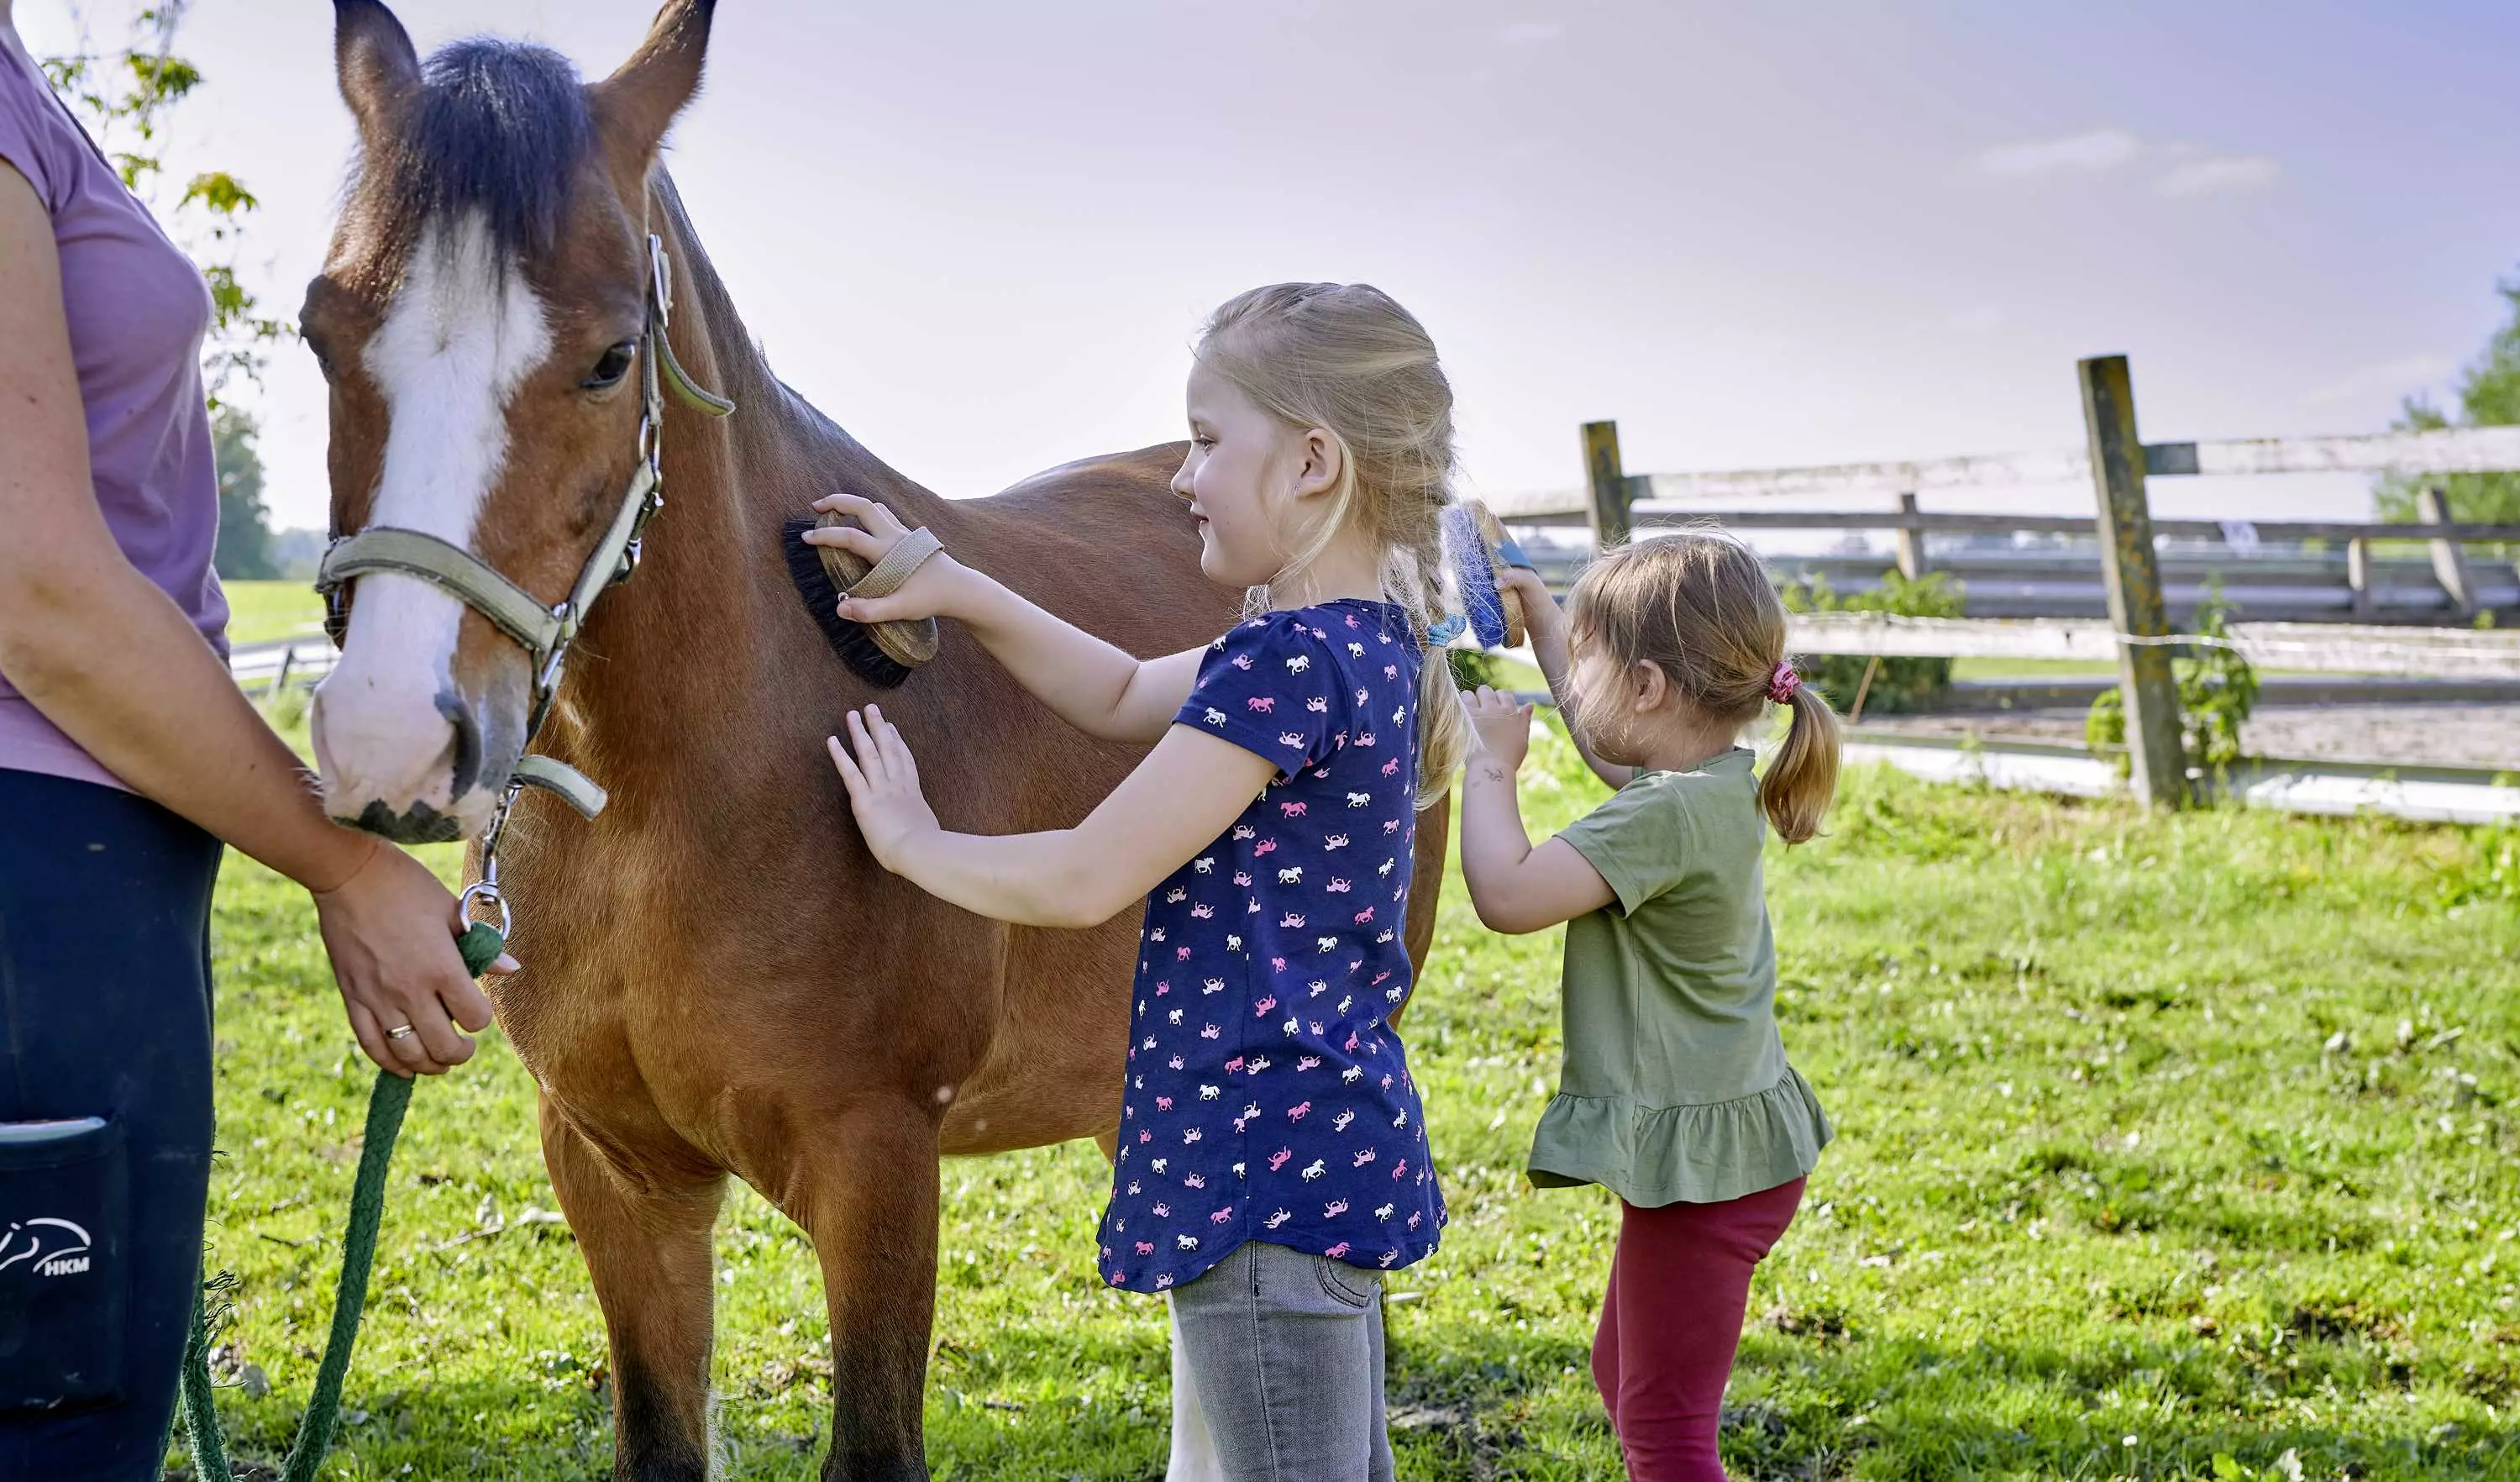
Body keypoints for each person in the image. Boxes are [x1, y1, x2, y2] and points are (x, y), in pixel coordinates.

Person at [811, 282, 1464, 1481]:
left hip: (1259, 1176)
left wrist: (911, 845)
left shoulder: (1284, 661)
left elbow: (1087, 874)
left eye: (1211, 442)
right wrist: (957, 584)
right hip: (1324, 1157)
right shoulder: (1365, 642)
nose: (1182, 476)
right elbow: (1116, 691)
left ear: (1314, 462)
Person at [0, 8, 503, 1474]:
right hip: (37, 872)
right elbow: (33, 586)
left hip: (84, 845)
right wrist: (339, 862)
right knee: (56, 1425)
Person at [1455, 534, 1839, 1481]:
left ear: (1650, 687)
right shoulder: (1704, 786)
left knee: (1666, 1431)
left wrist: (1491, 769)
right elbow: (1608, 743)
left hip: (1705, 1176)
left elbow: (1508, 897)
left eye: (1587, 657)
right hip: (1720, 1148)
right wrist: (1549, 623)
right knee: (1624, 1376)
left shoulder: (1664, 815)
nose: (1571, 680)